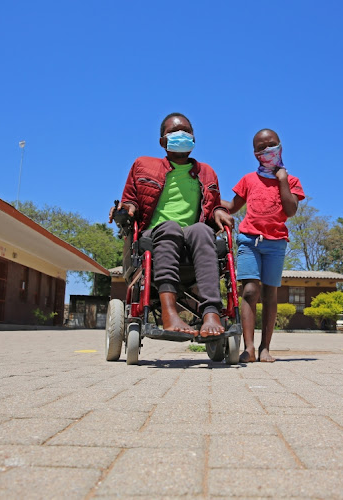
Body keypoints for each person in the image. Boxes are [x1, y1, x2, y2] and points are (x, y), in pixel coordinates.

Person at [109, 113, 234, 337]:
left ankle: (211, 312)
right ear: (162, 141)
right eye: (175, 132)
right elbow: (131, 199)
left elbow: (213, 206)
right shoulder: (143, 165)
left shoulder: (207, 172)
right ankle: (169, 312)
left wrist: (220, 212)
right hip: (157, 232)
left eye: (186, 131)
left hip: (193, 236)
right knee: (170, 227)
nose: (182, 135)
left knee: (202, 230)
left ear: (194, 138)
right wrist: (126, 208)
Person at [222, 129, 305, 363]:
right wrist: (208, 196)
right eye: (262, 147)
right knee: (249, 290)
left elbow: (290, 210)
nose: (268, 150)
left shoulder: (292, 182)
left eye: (272, 144)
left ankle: (265, 348)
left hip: (276, 243)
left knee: (270, 293)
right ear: (255, 153)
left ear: (280, 146)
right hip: (249, 240)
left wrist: (282, 180)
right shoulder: (248, 180)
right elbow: (232, 206)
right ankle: (248, 348)